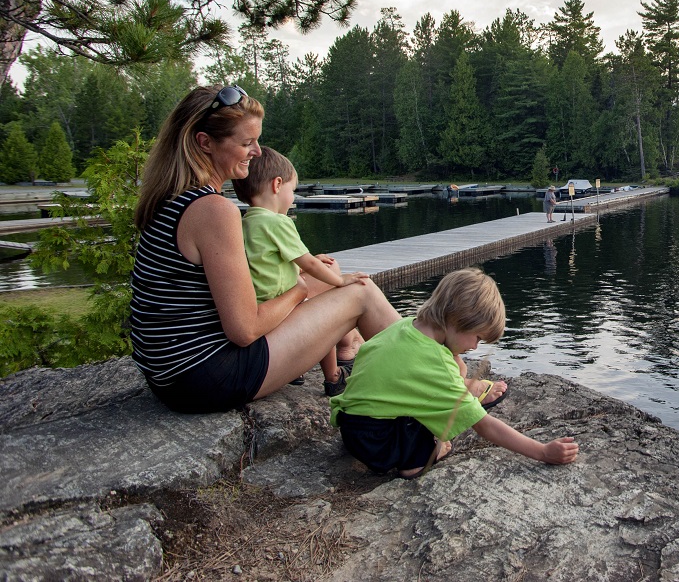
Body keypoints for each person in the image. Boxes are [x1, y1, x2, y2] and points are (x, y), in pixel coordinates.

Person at [130, 84, 405, 414]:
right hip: (205, 376)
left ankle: (364, 356)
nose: (257, 151)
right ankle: (446, 387)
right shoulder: (213, 210)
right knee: (361, 292)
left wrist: (304, 278)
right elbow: (245, 330)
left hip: (171, 374)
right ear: (205, 143)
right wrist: (299, 290)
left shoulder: (171, 199)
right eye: (246, 142)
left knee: (326, 278)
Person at [330, 267, 579, 477]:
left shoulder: (406, 326)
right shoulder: (435, 363)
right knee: (427, 419)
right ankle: (418, 460)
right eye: (478, 338)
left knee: (424, 389)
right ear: (458, 321)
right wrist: (542, 451)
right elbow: (485, 426)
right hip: (380, 444)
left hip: (352, 430)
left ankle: (460, 396)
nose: (474, 347)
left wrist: (456, 361)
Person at [231, 146, 364, 397]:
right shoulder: (277, 221)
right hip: (281, 304)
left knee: (319, 288)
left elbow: (269, 263)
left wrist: (312, 260)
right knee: (322, 303)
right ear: (277, 185)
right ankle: (333, 377)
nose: (292, 197)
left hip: (262, 305)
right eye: (292, 190)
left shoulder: (245, 222)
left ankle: (304, 369)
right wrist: (340, 280)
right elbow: (309, 266)